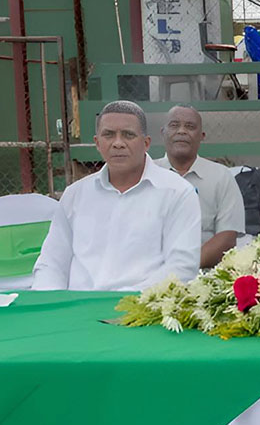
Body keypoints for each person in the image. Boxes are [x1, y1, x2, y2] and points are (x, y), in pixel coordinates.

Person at [33, 101, 201, 291]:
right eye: (109, 135)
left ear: (146, 143)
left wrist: (125, 305)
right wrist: (51, 304)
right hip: (77, 309)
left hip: (141, 310)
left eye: (128, 135)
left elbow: (181, 269)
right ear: (97, 143)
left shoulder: (177, 193)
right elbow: (51, 263)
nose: (118, 143)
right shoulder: (75, 195)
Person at [155, 106, 245, 268]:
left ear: (201, 136)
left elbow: (227, 237)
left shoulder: (221, 176)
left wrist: (181, 269)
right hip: (151, 274)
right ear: (163, 132)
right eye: (174, 125)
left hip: (203, 275)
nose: (182, 131)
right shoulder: (147, 175)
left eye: (190, 127)